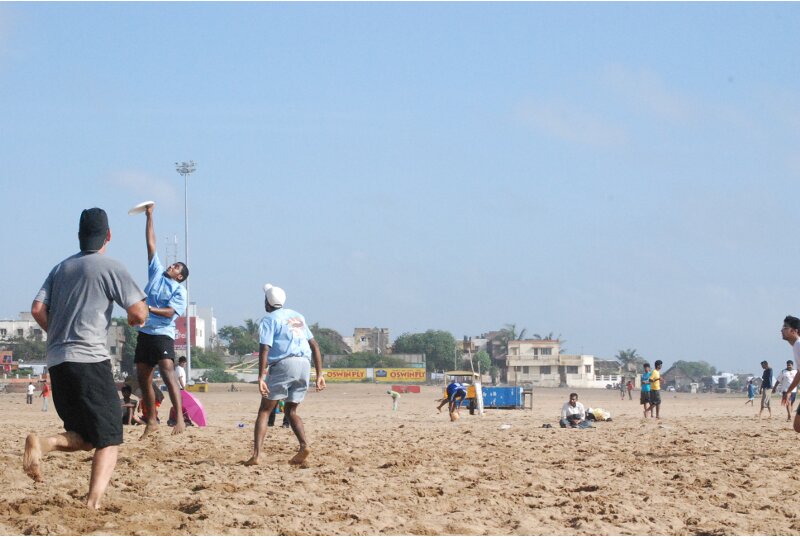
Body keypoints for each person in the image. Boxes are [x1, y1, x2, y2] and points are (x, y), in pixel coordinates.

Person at [24, 207, 147, 509]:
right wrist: (134, 320)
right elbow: (139, 311)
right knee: (110, 437)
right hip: (89, 359)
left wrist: (57, 334)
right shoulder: (110, 267)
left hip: (58, 360)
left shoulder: (61, 268)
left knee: (86, 436)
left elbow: (38, 309)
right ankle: (92, 503)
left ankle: (45, 443)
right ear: (109, 235)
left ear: (79, 236)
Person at [244, 284, 326, 466]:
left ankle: (257, 455)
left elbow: (265, 347)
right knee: (291, 410)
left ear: (268, 302)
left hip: (284, 364)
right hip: (304, 364)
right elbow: (315, 345)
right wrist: (319, 374)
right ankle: (304, 445)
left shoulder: (269, 319)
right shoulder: (298, 317)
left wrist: (260, 377)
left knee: (265, 410)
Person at [133, 204, 189, 439]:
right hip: (145, 331)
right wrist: (149, 216)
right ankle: (152, 420)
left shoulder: (179, 290)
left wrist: (148, 308)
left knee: (167, 372)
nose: (172, 265)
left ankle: (178, 419)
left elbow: (169, 313)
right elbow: (151, 243)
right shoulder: (156, 273)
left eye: (176, 266)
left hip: (163, 333)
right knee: (143, 375)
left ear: (180, 276)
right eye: (173, 263)